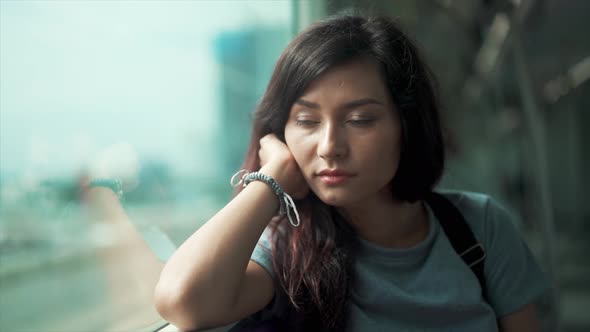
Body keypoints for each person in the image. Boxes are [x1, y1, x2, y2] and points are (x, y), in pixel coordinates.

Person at [153, 15, 549, 332]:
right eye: (307, 121)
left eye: (360, 119)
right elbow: (182, 301)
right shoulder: (289, 248)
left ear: (407, 126)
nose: (329, 146)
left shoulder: (478, 226)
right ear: (281, 133)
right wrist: (271, 179)